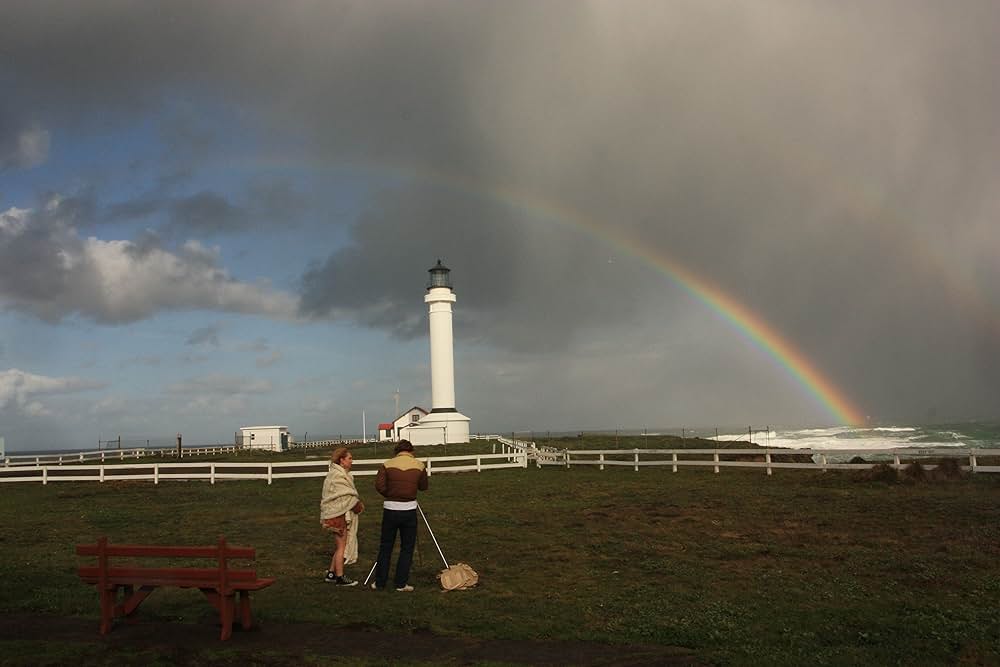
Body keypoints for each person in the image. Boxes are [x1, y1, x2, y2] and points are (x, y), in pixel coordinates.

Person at [372, 439, 428, 591]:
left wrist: (391, 494)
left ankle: (380, 582)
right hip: (409, 509)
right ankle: (401, 583)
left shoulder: (387, 464)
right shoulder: (419, 465)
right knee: (407, 547)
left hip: (390, 509)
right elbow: (423, 487)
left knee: (386, 546)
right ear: (411, 451)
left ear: (396, 451)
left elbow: (379, 486)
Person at [320, 446, 365, 586]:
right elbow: (344, 497)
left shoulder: (335, 474)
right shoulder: (338, 476)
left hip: (335, 514)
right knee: (341, 547)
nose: (352, 461)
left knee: (340, 545)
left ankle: (331, 573)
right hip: (337, 515)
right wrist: (357, 505)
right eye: (349, 458)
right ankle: (340, 577)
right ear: (342, 460)